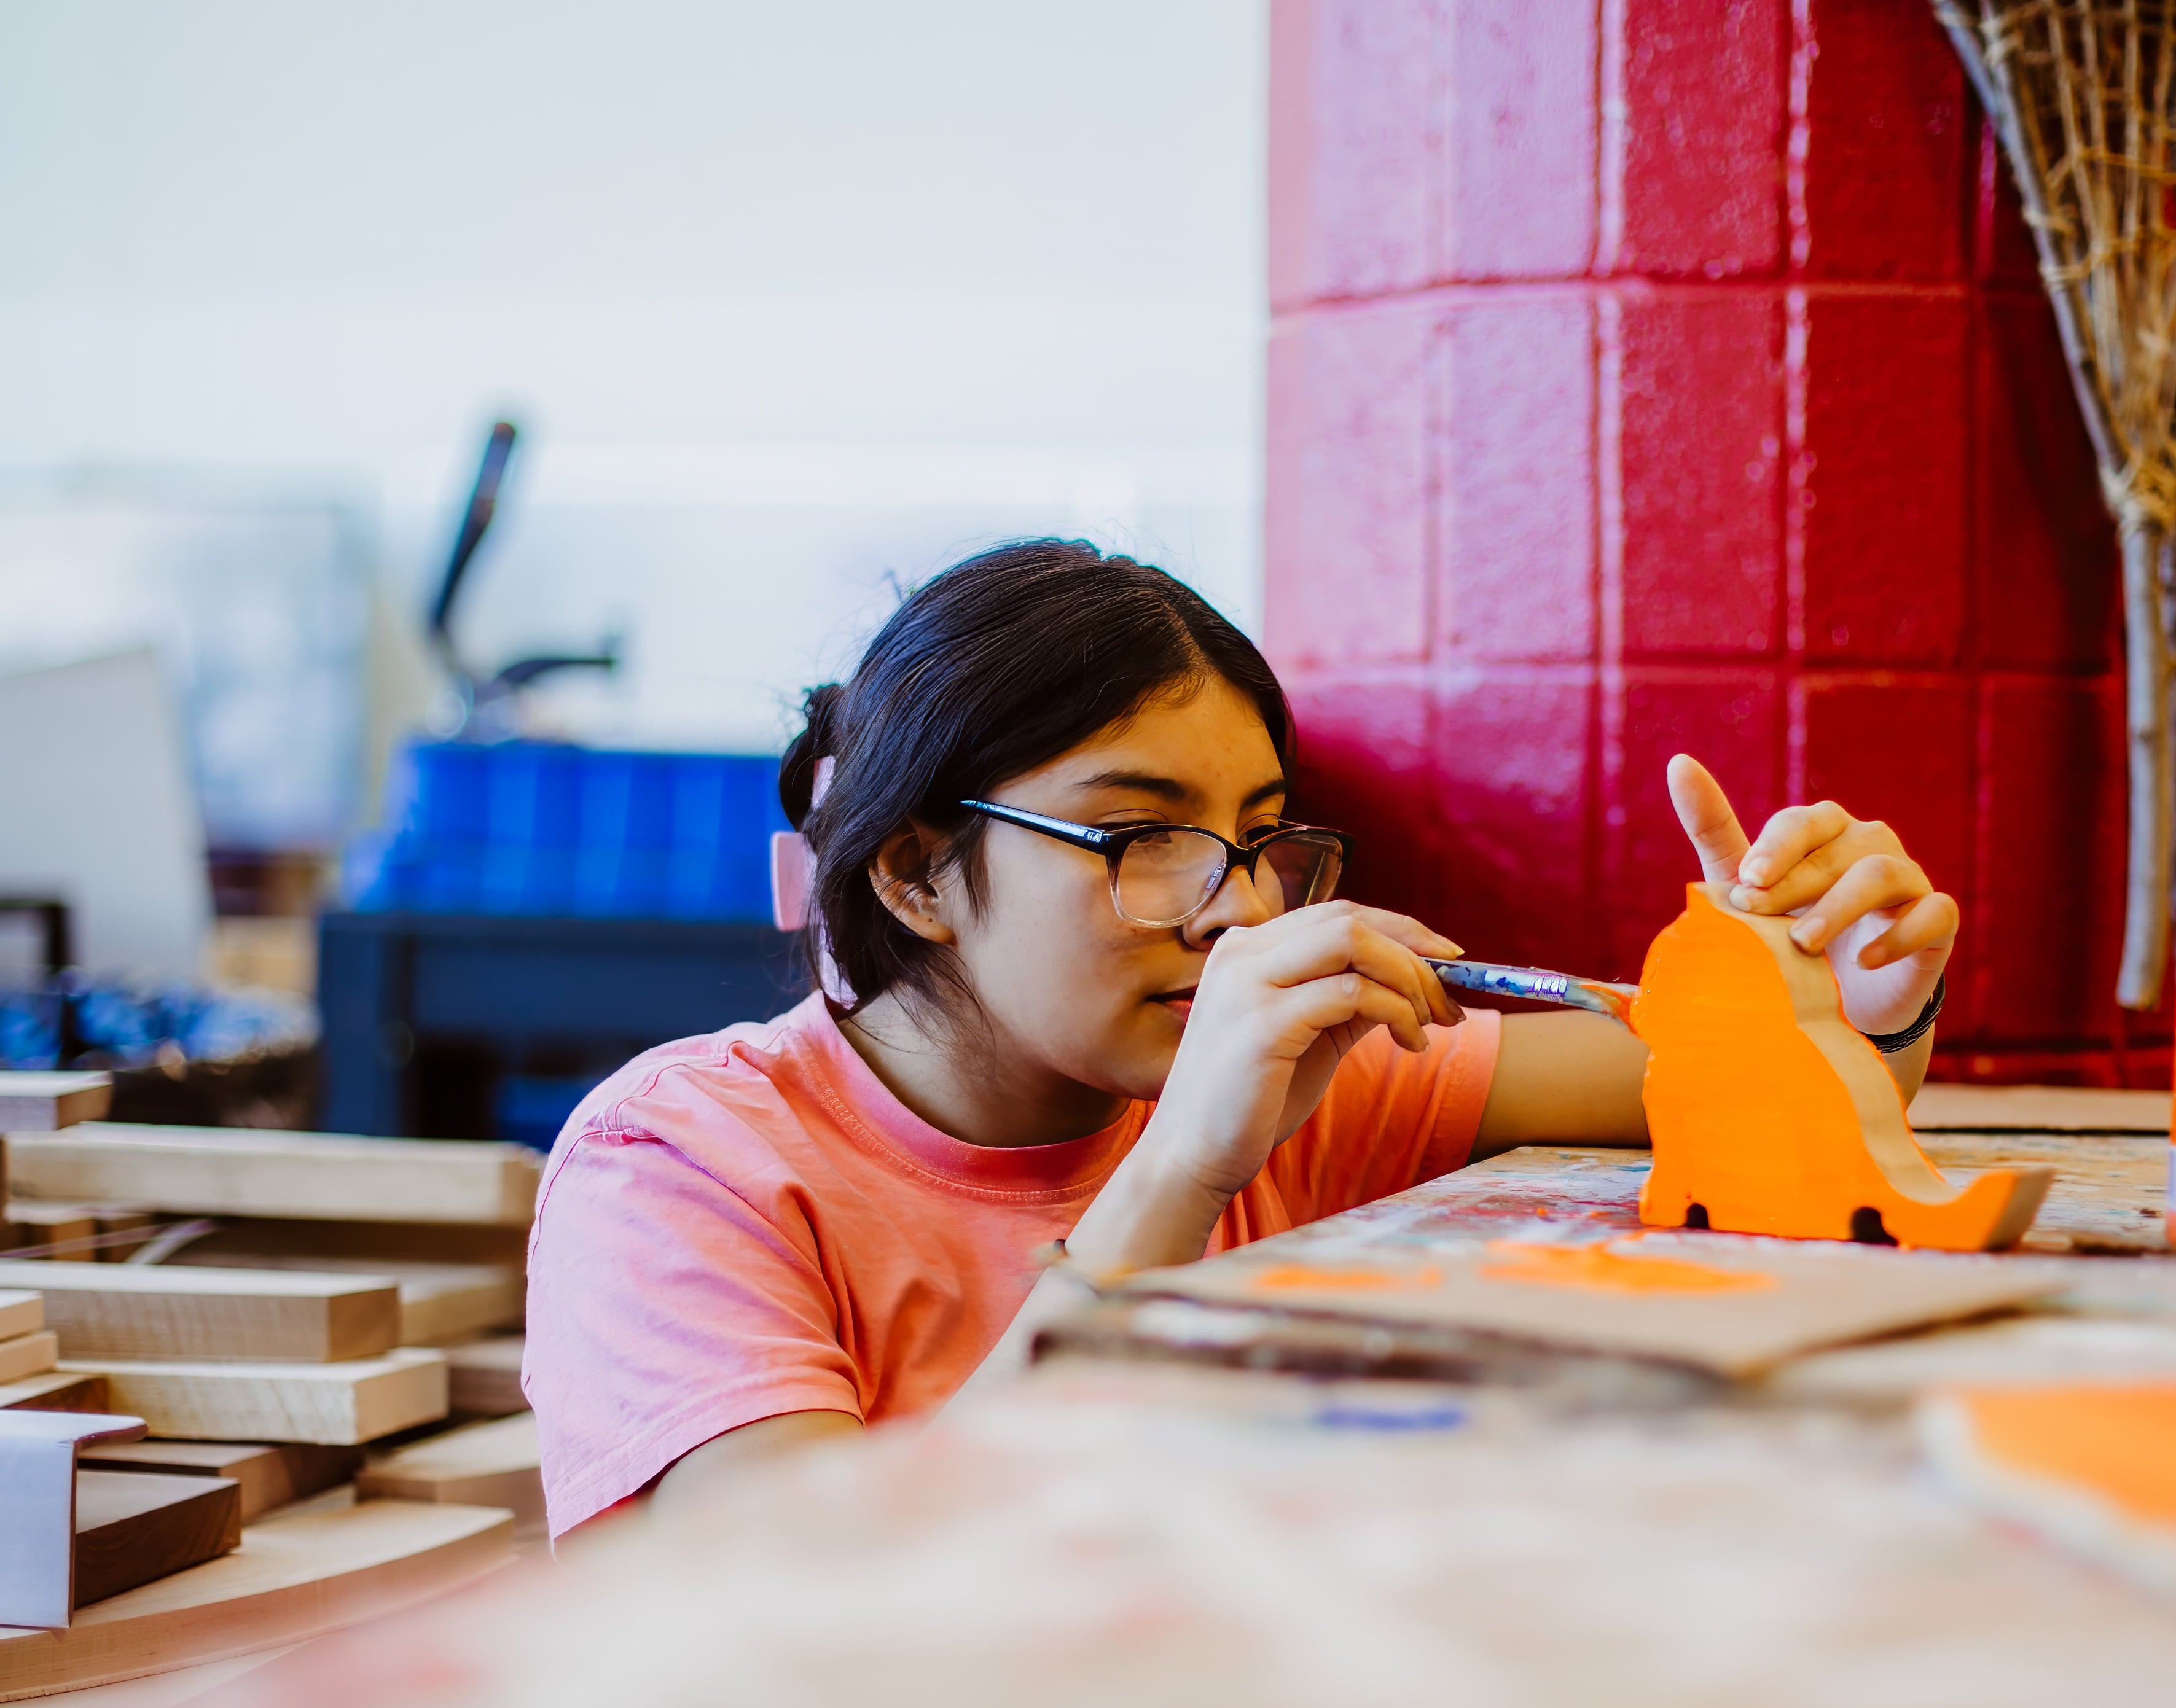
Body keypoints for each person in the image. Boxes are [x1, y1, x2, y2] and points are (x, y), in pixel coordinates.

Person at [524, 540, 1957, 1542]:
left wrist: (1845, 988)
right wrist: (1181, 1177)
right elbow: (807, 1610)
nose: (1229, 906)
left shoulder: (1272, 1071)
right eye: (1142, 835)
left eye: (1259, 836)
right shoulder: (676, 1162)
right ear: (911, 872)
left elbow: (1744, 1105)